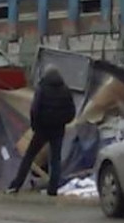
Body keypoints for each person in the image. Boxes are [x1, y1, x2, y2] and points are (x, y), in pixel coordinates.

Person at [6, 66, 77, 196]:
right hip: (58, 130)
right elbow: (72, 112)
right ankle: (52, 190)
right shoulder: (65, 90)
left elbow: (35, 109)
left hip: (42, 129)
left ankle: (16, 185)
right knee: (55, 160)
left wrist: (35, 126)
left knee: (28, 157)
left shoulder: (42, 89)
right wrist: (63, 122)